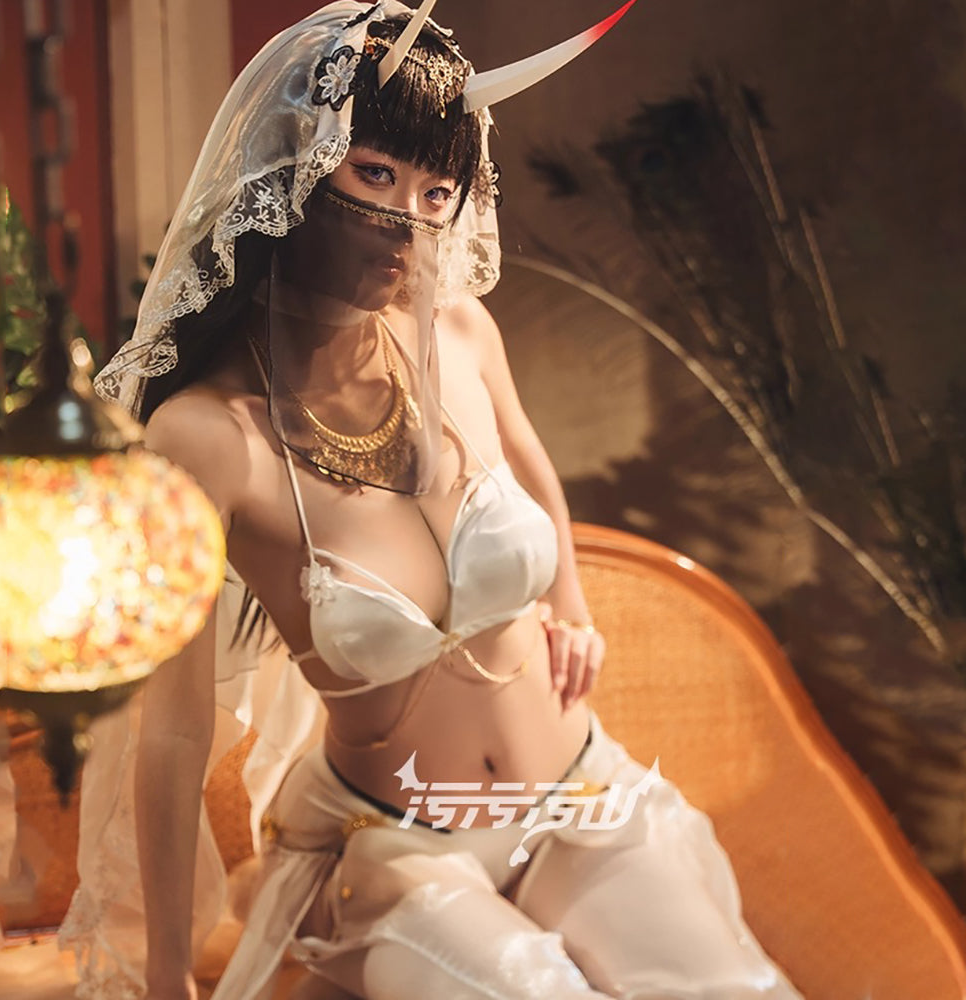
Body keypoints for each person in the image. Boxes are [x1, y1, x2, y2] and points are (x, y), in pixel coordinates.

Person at [63, 3, 804, 998]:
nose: (408, 219)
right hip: (397, 845)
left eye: (437, 189)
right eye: (375, 173)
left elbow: (529, 464)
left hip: (578, 797)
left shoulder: (459, 335)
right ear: (291, 170)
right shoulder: (208, 438)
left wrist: (572, 602)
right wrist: (166, 978)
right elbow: (172, 733)